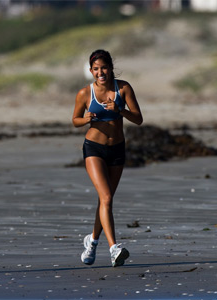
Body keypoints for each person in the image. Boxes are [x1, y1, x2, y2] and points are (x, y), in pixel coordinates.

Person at [72, 49, 143, 267]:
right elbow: (74, 119)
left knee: (106, 200)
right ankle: (114, 249)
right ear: (91, 71)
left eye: (104, 67)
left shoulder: (123, 88)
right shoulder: (85, 93)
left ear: (111, 67)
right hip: (94, 148)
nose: (100, 72)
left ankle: (92, 241)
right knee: (106, 198)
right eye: (95, 69)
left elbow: (138, 119)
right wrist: (85, 120)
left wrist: (120, 109)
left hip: (117, 149)